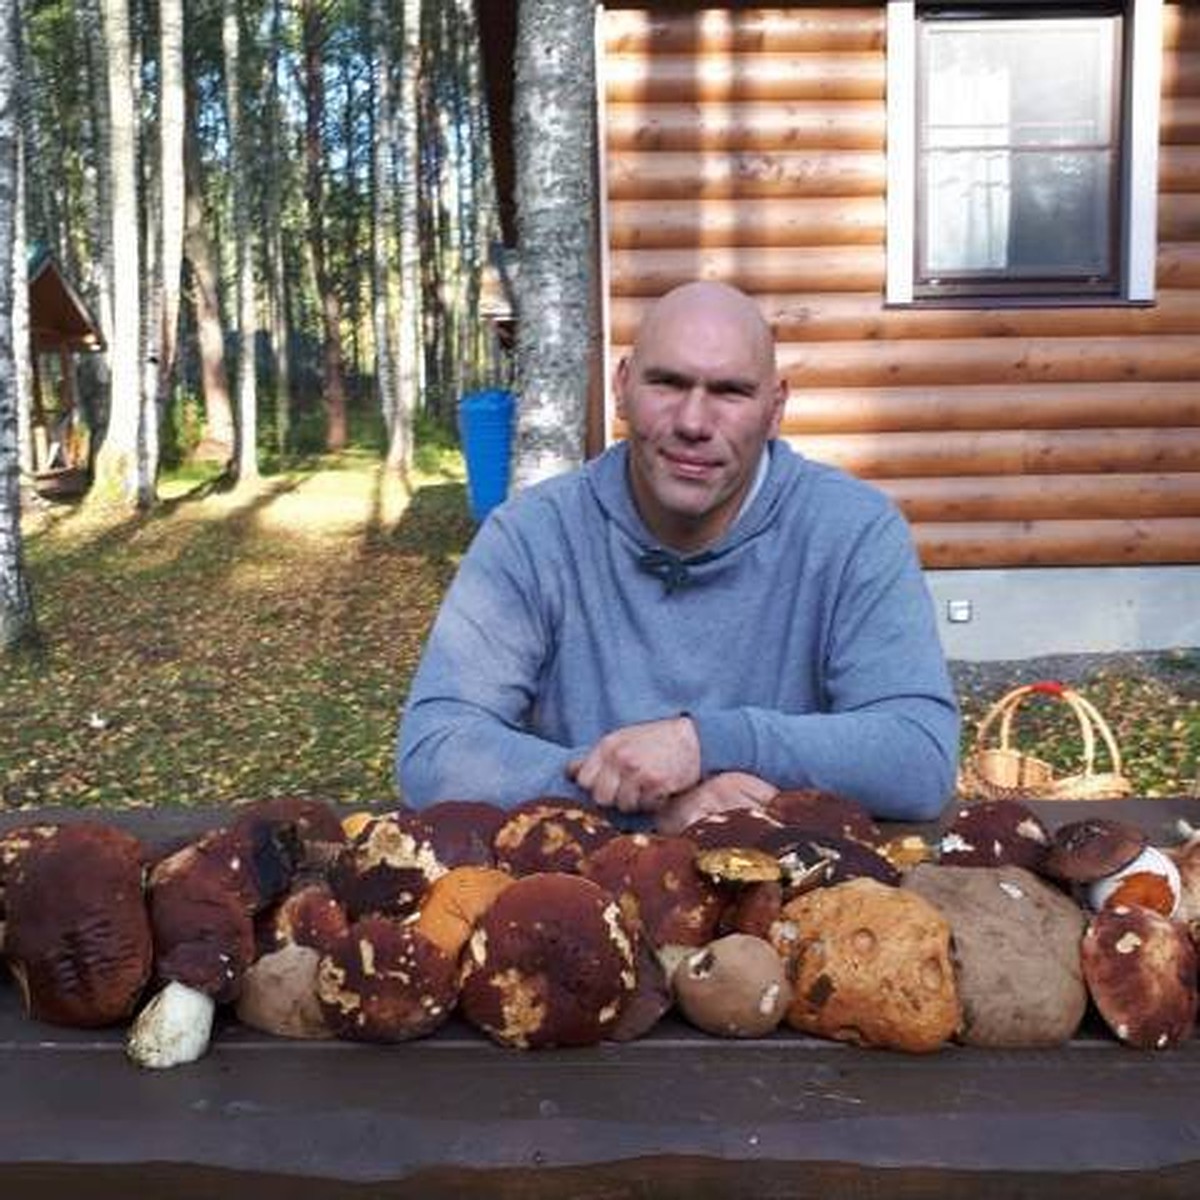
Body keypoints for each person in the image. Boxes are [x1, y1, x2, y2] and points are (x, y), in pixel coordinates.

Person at [397, 280, 959, 831]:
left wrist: (705, 743)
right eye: (667, 382)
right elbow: (434, 752)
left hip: (799, 898)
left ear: (775, 407)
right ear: (622, 387)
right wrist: (640, 803)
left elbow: (919, 756)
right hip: (573, 901)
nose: (693, 422)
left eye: (730, 391)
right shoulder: (532, 536)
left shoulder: (853, 531)